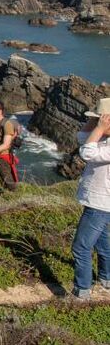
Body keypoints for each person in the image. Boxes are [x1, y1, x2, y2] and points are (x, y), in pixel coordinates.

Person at [70, 98, 110, 301]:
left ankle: (82, 291)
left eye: (100, 119)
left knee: (81, 247)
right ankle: (106, 279)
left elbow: (87, 152)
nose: (96, 123)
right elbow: (81, 137)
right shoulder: (104, 138)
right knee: (103, 244)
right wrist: (95, 123)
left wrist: (101, 127)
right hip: (98, 202)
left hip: (101, 204)